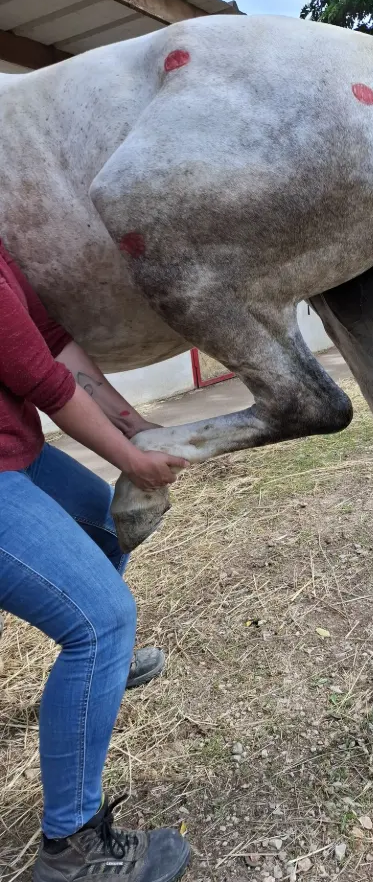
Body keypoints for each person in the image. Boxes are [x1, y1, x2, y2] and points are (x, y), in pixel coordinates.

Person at [0, 240, 192, 882]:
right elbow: (45, 382)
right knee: (102, 623)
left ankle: (92, 676)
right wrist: (132, 459)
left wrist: (138, 428)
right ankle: (71, 852)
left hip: (16, 454)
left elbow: (53, 340)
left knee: (108, 528)